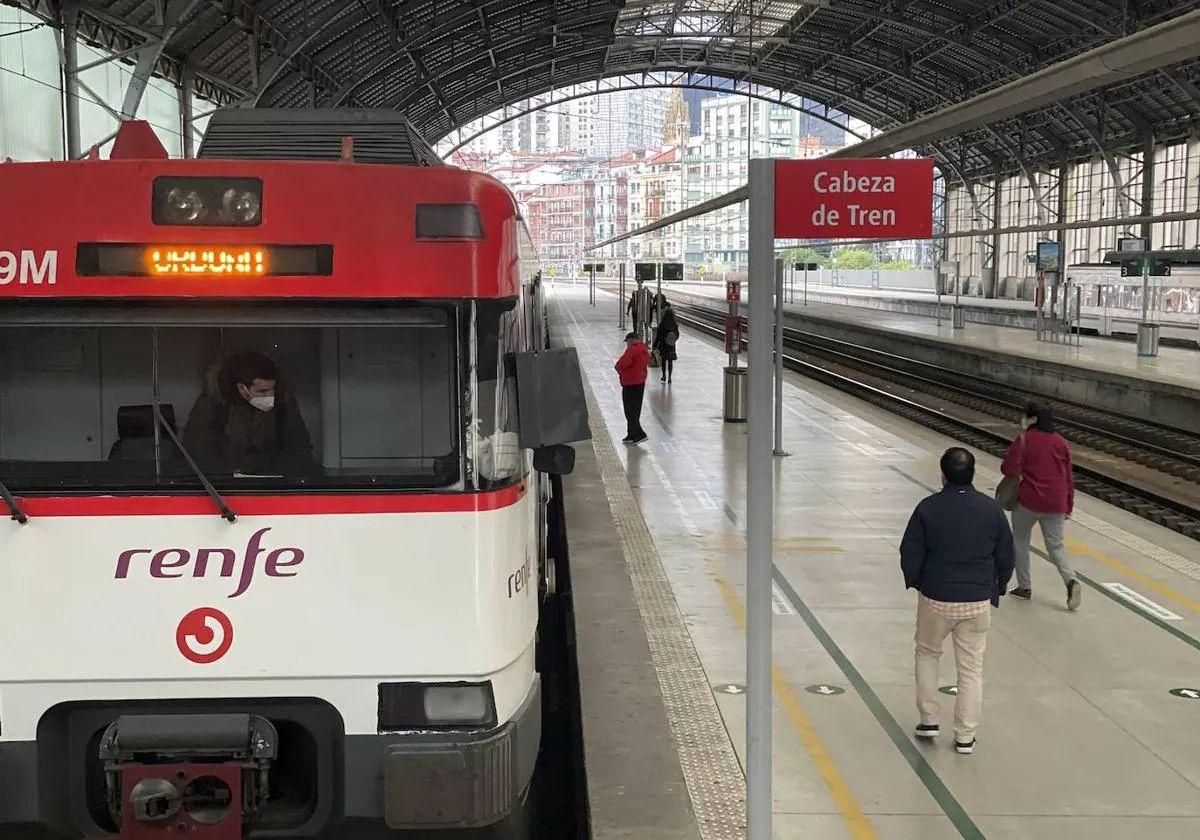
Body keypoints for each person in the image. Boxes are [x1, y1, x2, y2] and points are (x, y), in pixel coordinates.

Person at [901, 447, 1014, 755]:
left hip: (936, 597)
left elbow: (910, 552)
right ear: (973, 474)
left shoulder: (928, 508)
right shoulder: (991, 510)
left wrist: (920, 582)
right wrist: (997, 586)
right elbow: (1006, 554)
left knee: (927, 653)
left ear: (942, 475)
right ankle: (965, 736)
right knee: (971, 669)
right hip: (976, 600)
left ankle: (928, 720)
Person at [1001, 401, 1080, 610]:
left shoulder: (1025, 439)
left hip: (1029, 500)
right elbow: (1068, 478)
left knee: (1020, 540)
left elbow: (1008, 468)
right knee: (1056, 546)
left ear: (1033, 419)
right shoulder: (1061, 443)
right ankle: (1071, 580)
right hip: (1057, 502)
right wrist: (1068, 505)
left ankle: (1024, 587)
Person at [182, 350, 313, 475]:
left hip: (274, 484)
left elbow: (299, 448)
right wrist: (228, 474)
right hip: (222, 486)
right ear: (242, 389)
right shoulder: (214, 404)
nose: (270, 395)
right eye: (262, 391)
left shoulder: (283, 403)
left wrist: (278, 474)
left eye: (272, 389)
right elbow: (197, 451)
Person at [614, 331, 650, 444]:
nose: (627, 344)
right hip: (640, 382)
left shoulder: (633, 350)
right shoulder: (643, 349)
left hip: (630, 383)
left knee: (629, 411)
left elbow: (620, 364)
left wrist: (620, 370)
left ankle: (640, 434)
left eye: (627, 342)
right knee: (635, 410)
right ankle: (631, 434)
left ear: (630, 340)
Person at [654, 300, 679, 383]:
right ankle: (670, 377)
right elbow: (677, 335)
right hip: (671, 345)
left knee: (664, 361)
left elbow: (658, 336)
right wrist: (672, 340)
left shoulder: (663, 324)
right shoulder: (674, 325)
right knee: (670, 361)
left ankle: (664, 375)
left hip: (663, 345)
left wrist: (655, 345)